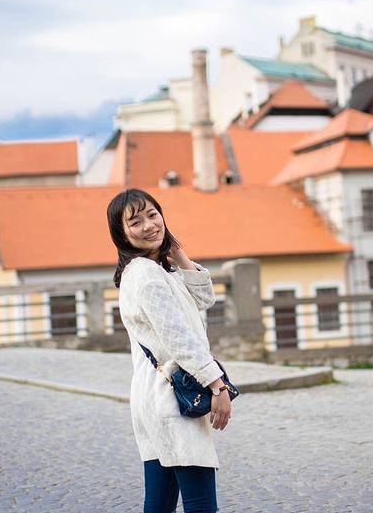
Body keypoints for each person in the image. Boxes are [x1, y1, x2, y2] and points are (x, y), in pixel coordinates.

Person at [106, 188, 231, 513]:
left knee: (160, 504)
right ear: (121, 234)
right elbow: (179, 339)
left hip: (154, 397)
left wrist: (181, 257)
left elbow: (204, 300)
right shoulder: (147, 275)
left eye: (153, 214)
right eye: (136, 222)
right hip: (171, 400)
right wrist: (217, 385)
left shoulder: (156, 270)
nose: (149, 225)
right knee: (201, 505)